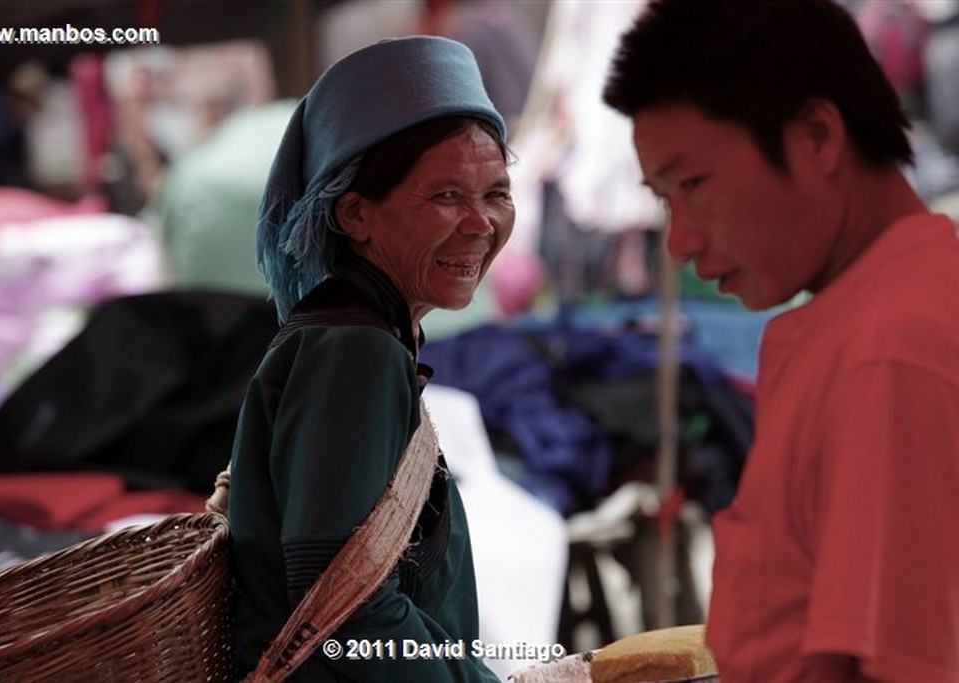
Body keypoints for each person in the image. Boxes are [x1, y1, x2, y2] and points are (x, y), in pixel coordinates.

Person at [602, 1, 959, 681]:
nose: (679, 241)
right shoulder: (852, 320)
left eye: (695, 185)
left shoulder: (889, 348)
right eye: (664, 199)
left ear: (818, 135)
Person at [225, 36, 513, 681]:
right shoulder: (353, 351)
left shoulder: (363, 335)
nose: (480, 223)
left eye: (496, 193)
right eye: (445, 196)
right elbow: (343, 611)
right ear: (356, 214)